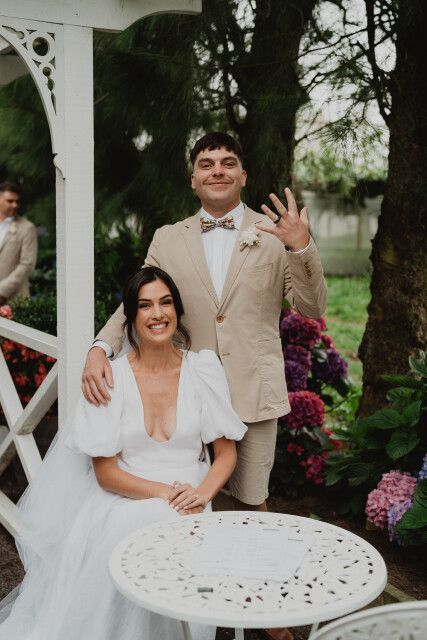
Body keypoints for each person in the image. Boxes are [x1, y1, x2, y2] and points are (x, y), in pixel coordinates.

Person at [82, 132, 327, 517]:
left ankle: (251, 559)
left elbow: (312, 308)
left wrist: (300, 246)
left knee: (250, 500)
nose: (217, 171)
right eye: (206, 165)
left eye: (228, 163)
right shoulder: (167, 238)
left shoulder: (275, 234)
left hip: (253, 391)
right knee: (187, 496)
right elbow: (138, 302)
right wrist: (100, 348)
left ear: (243, 176)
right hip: (185, 393)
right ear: (193, 179)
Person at [0, 266, 247, 640]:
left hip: (192, 496)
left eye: (165, 302)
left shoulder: (203, 369)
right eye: (145, 305)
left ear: (177, 310)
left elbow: (226, 454)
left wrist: (201, 495)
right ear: (131, 316)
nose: (157, 314)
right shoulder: (110, 378)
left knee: (172, 523)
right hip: (123, 494)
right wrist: (166, 495)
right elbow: (106, 474)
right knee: (135, 523)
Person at [0, 182, 37, 305]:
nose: (15, 205)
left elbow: (27, 264)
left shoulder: (27, 228)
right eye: (10, 201)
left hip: (15, 299)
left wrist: (2, 291)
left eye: (17, 201)